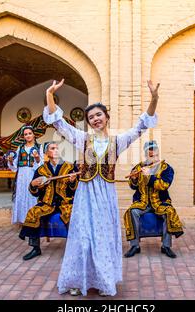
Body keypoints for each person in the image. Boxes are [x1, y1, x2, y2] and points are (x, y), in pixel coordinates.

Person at [44, 78, 160, 296]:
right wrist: (50, 95)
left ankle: (104, 280)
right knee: (83, 237)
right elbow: (59, 123)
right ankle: (79, 280)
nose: (95, 119)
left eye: (99, 115)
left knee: (103, 236)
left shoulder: (119, 141)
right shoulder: (82, 138)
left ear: (107, 117)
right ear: (88, 122)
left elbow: (142, 126)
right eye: (91, 117)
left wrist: (154, 98)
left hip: (105, 195)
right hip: (86, 194)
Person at [123, 140, 184, 259]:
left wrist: (149, 177)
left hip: (160, 202)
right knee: (132, 212)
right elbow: (132, 186)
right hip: (142, 202)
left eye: (156, 155)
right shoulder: (138, 167)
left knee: (169, 212)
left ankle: (166, 246)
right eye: (151, 155)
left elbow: (164, 185)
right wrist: (134, 179)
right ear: (146, 155)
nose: (154, 158)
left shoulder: (167, 168)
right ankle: (135, 246)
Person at [19, 141, 78, 260]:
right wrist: (33, 185)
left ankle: (74, 249)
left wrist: (72, 182)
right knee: (33, 212)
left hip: (65, 202)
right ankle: (35, 248)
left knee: (73, 214)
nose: (56, 150)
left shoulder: (70, 167)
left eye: (57, 148)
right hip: (47, 203)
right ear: (46, 153)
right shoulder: (41, 170)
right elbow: (34, 192)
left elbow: (76, 190)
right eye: (52, 148)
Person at [8, 126, 44, 224]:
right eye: (25, 134)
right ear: (23, 136)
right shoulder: (20, 148)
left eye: (29, 133)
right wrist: (11, 161)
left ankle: (32, 217)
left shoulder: (39, 147)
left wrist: (37, 158)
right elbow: (14, 165)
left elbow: (41, 165)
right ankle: (22, 219)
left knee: (32, 194)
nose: (28, 136)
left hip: (33, 174)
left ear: (33, 134)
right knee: (22, 194)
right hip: (22, 175)